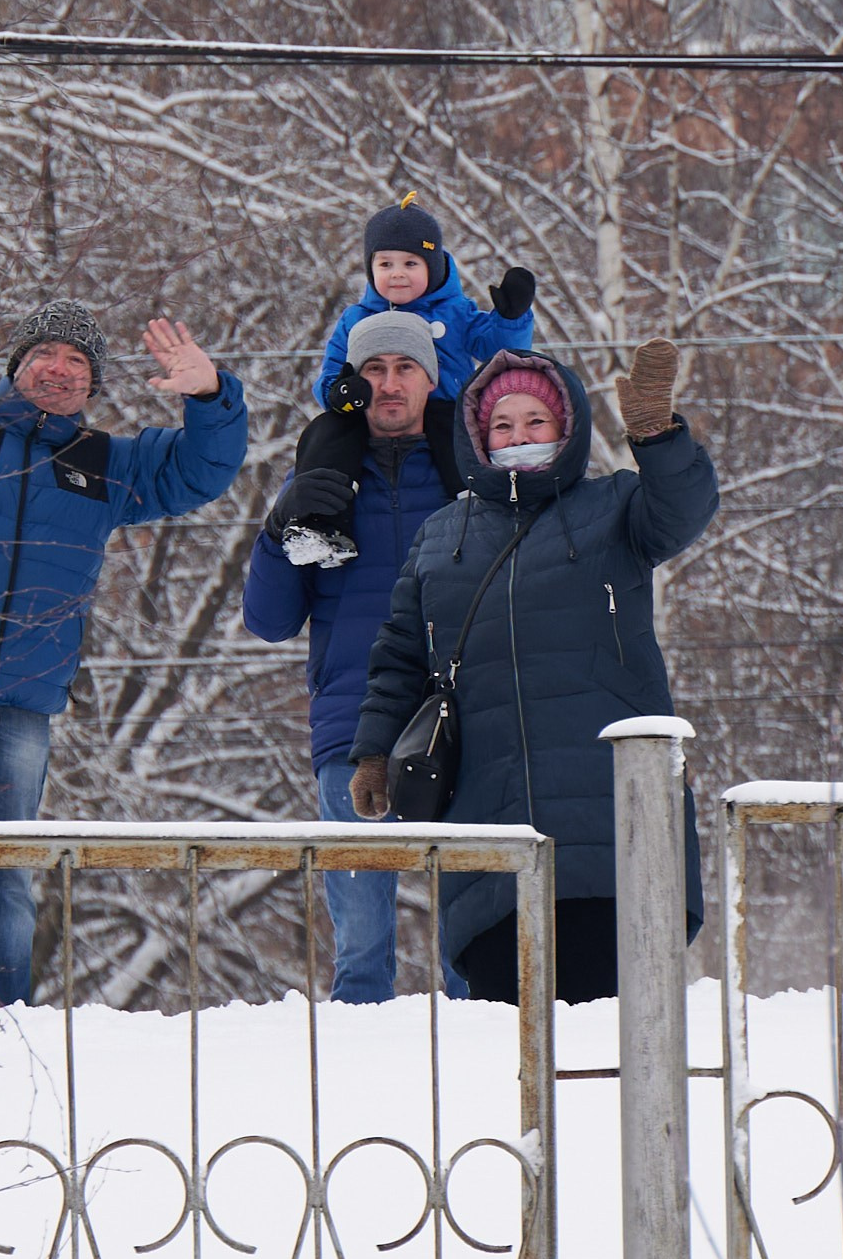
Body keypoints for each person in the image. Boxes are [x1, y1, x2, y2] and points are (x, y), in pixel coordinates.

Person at [0, 303, 250, 1011]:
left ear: (90, 385)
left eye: (78, 362)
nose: (59, 369)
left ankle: (0, 1024)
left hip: (25, 699)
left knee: (8, 871)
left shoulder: (104, 463)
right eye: (47, 354)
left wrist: (211, 395)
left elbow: (198, 473)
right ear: (19, 363)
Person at [348, 340, 715, 1003]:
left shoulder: (614, 509)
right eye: (503, 425)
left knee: (631, 1045)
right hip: (493, 845)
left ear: (566, 427)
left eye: (535, 421)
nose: (519, 436)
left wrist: (656, 438)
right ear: (478, 437)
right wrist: (374, 751)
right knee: (516, 1063)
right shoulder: (440, 537)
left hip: (613, 841)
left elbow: (683, 510)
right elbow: (399, 656)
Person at [243, 310, 467, 1004]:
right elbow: (269, 620)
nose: (390, 383)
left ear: (431, 380)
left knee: (474, 945)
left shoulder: (471, 471)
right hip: (349, 722)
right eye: (374, 370)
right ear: (353, 384)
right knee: (362, 954)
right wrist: (282, 525)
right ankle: (363, 1098)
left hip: (468, 719)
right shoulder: (321, 475)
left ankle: (490, 1098)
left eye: (405, 368)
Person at [278, 194, 534, 569]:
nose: (397, 273)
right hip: (369, 412)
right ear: (370, 268)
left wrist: (510, 318)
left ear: (434, 266)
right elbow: (332, 370)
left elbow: (496, 348)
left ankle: (476, 510)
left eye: (410, 263)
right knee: (328, 433)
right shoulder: (356, 318)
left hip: (443, 407)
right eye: (385, 263)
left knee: (460, 441)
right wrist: (342, 393)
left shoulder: (456, 312)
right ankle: (322, 525)